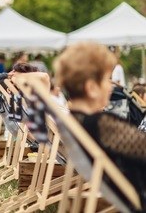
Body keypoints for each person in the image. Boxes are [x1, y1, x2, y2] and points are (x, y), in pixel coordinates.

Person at [54, 42, 146, 208]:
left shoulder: (74, 121)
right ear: (91, 88)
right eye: (106, 79)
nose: (111, 87)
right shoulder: (101, 124)